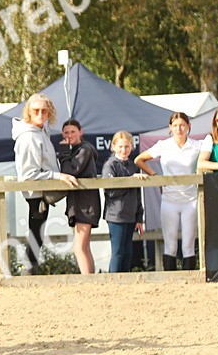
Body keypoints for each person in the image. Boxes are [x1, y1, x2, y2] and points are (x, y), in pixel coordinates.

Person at [12, 93, 80, 271]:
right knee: (36, 231)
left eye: (44, 110)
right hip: (36, 192)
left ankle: (30, 269)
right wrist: (58, 176)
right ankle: (28, 271)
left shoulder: (42, 131)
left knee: (37, 231)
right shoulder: (29, 138)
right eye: (36, 110)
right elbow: (28, 174)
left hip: (43, 190)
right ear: (29, 112)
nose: (40, 114)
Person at [135, 112, 202, 271]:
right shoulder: (163, 145)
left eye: (182, 125)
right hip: (169, 200)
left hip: (190, 200)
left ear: (188, 127)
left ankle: (190, 279)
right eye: (175, 125)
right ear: (170, 128)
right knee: (170, 244)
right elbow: (139, 159)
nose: (179, 129)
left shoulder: (197, 145)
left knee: (188, 244)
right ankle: (170, 281)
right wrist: (155, 177)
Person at [58, 118, 99, 274]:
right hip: (82, 202)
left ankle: (87, 281)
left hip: (85, 203)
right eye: (66, 132)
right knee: (85, 246)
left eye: (73, 132)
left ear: (80, 132)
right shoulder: (78, 149)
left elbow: (71, 171)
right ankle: (91, 279)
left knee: (79, 247)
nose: (69, 135)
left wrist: (63, 154)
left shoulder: (85, 149)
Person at [102, 131, 145, 273]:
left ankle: (125, 282)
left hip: (130, 215)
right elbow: (111, 191)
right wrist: (130, 180)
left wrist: (139, 217)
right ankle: (113, 282)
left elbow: (138, 193)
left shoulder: (133, 166)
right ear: (113, 147)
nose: (124, 150)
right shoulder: (110, 165)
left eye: (127, 146)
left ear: (131, 147)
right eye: (120, 146)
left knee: (128, 252)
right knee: (118, 252)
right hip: (116, 215)